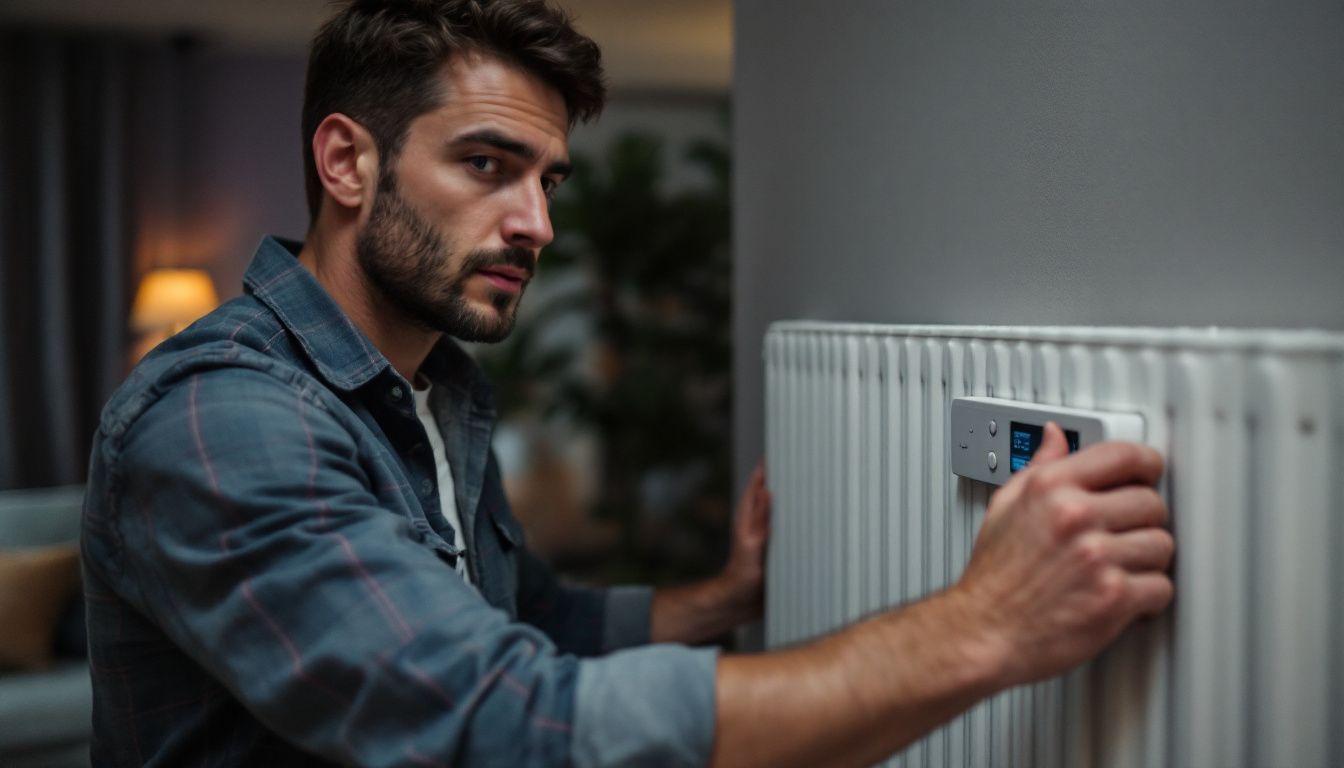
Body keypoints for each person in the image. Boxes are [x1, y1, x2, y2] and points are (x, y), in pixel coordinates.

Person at [82, 0, 1175, 765]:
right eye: (485, 165)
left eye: (548, 179)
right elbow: (503, 723)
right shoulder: (220, 418)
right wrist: (984, 624)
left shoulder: (438, 386)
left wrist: (722, 600)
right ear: (346, 163)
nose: (538, 224)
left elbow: (529, 616)